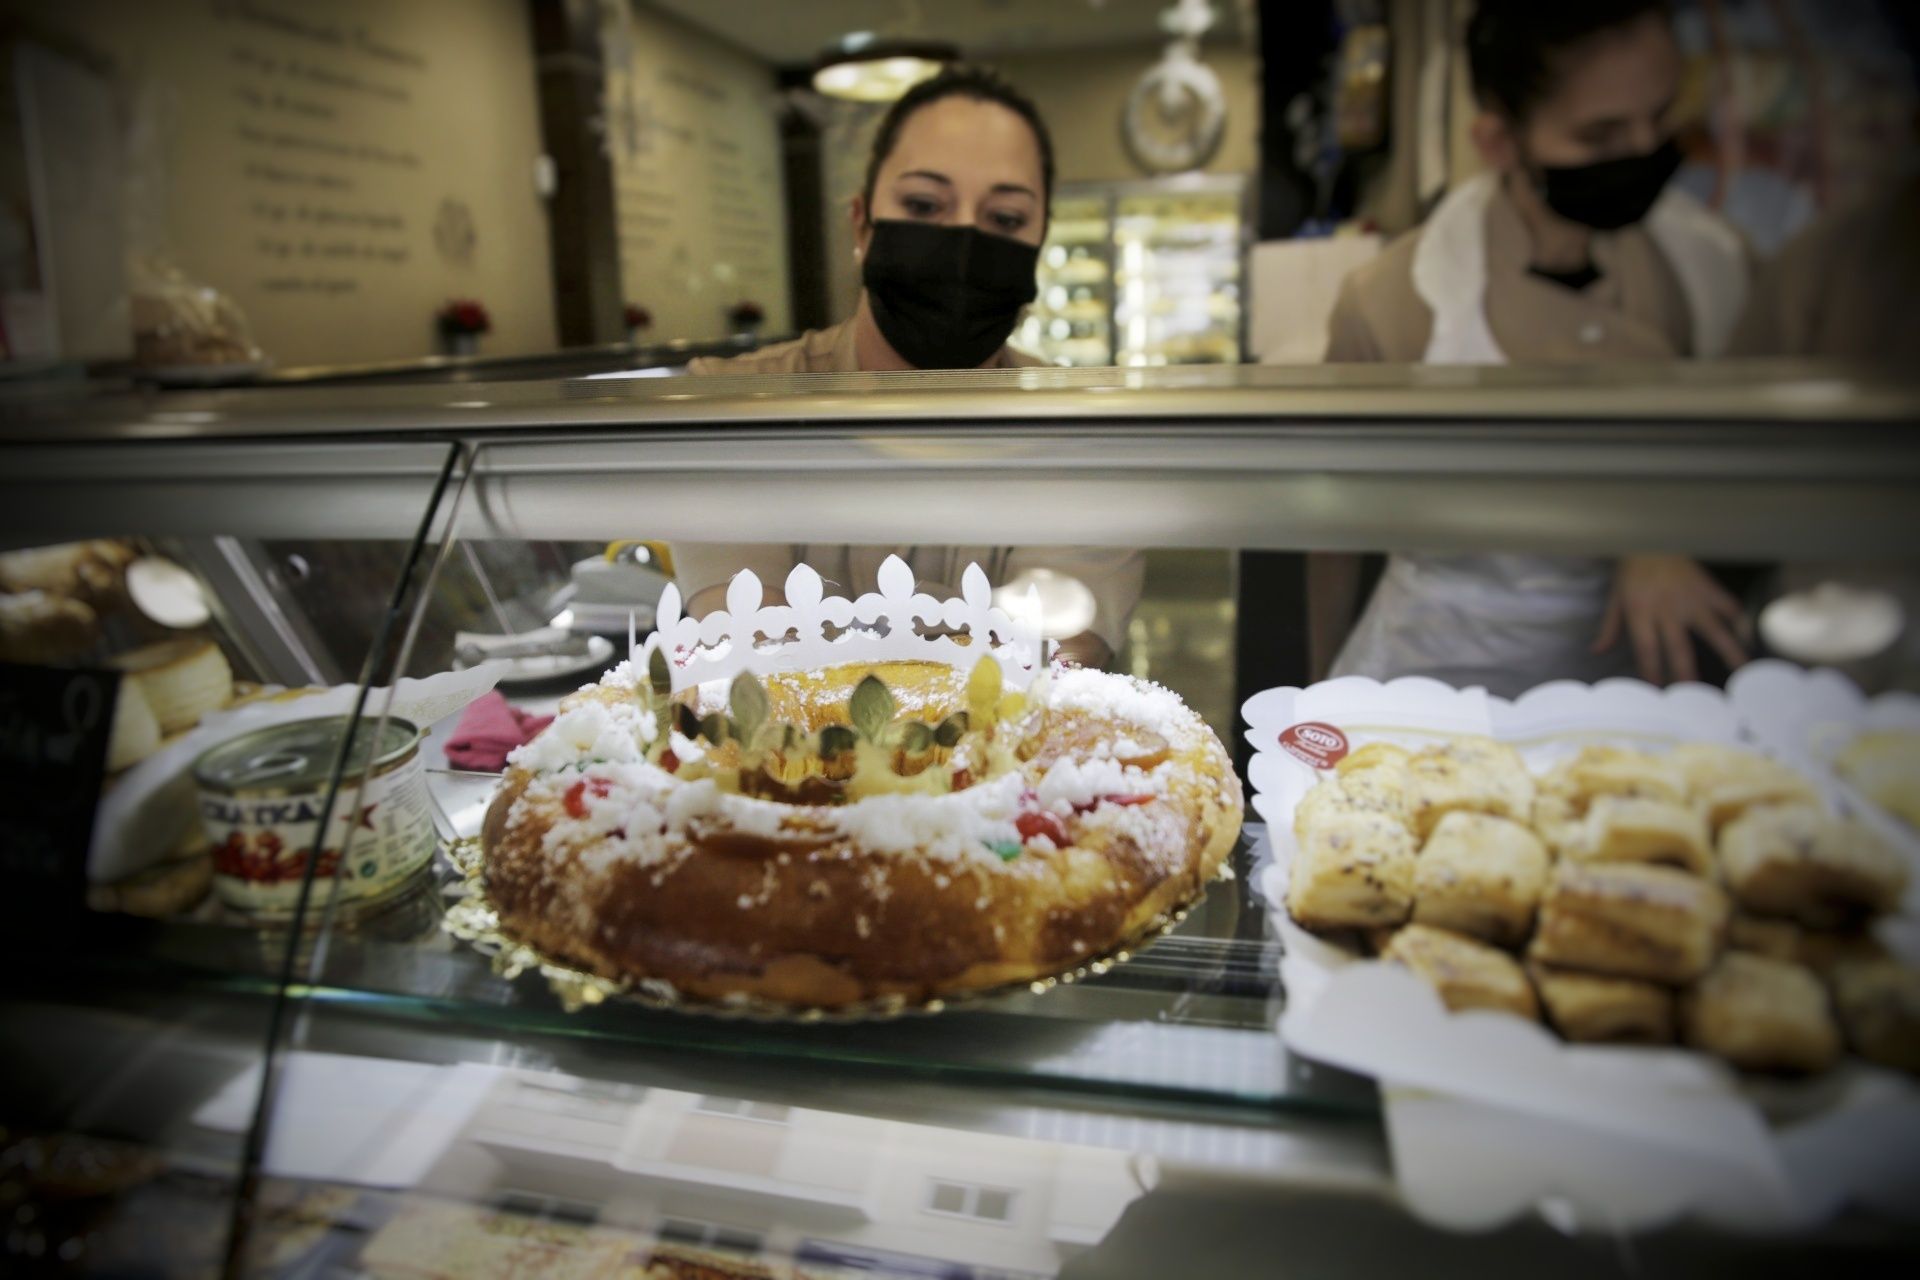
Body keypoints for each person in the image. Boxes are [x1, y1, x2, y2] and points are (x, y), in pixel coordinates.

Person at [1314, 0, 1754, 696]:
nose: (1643, 151)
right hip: (1431, 673)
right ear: (1498, 142)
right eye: (1602, 137)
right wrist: (1322, 695)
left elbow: (1758, 471)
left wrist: (1667, 536)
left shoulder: (1712, 268)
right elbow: (1328, 518)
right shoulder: (1392, 301)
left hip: (1633, 682)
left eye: (1662, 118)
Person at [672, 65, 1142, 667]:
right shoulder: (731, 401)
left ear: (1038, 245)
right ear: (861, 224)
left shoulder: (1085, 435)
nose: (964, 244)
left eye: (1004, 219)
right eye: (924, 204)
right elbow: (749, 649)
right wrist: (963, 638)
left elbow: (1052, 662)